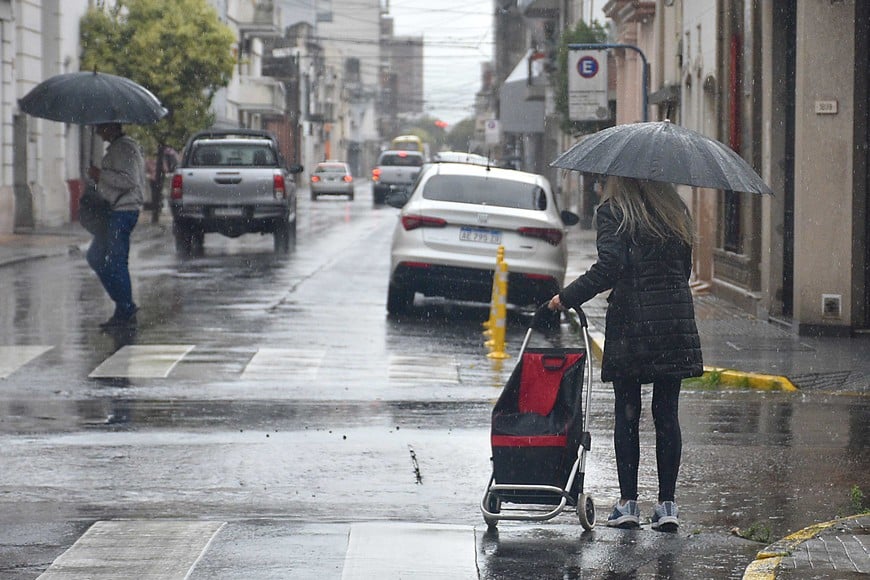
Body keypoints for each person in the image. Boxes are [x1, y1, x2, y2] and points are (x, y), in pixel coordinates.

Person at [548, 176, 703, 532]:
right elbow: (684, 269)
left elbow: (610, 267)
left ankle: (628, 503)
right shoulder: (675, 210)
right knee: (667, 413)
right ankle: (667, 506)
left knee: (628, 412)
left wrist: (566, 298)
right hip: (673, 319)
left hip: (633, 321)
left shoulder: (614, 212)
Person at [86, 122, 147, 329]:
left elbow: (129, 181)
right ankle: (124, 306)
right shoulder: (117, 148)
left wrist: (100, 175)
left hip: (123, 211)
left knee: (116, 261)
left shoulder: (125, 148)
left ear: (110, 127)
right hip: (114, 211)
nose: (97, 132)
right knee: (96, 256)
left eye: (100, 127)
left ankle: (126, 309)